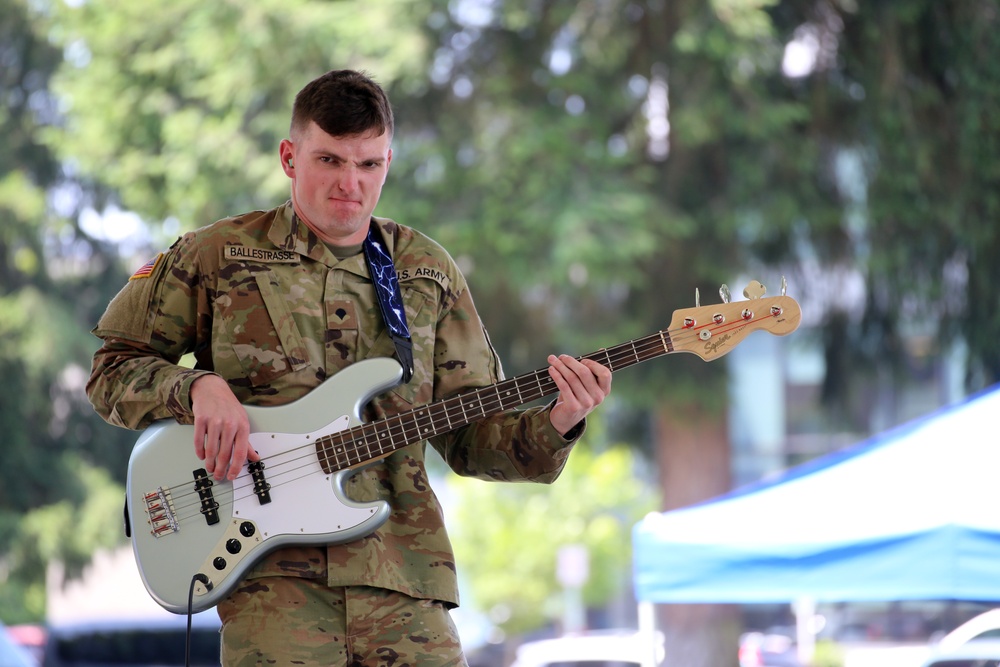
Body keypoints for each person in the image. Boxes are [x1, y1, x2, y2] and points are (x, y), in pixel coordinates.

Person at [86, 69, 612, 667]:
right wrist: (195, 388)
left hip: (407, 578)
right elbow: (111, 370)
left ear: (388, 160)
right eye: (330, 160)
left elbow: (471, 440)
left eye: (368, 165)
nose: (350, 184)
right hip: (273, 586)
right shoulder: (215, 255)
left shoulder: (426, 269)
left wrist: (560, 420)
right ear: (289, 156)